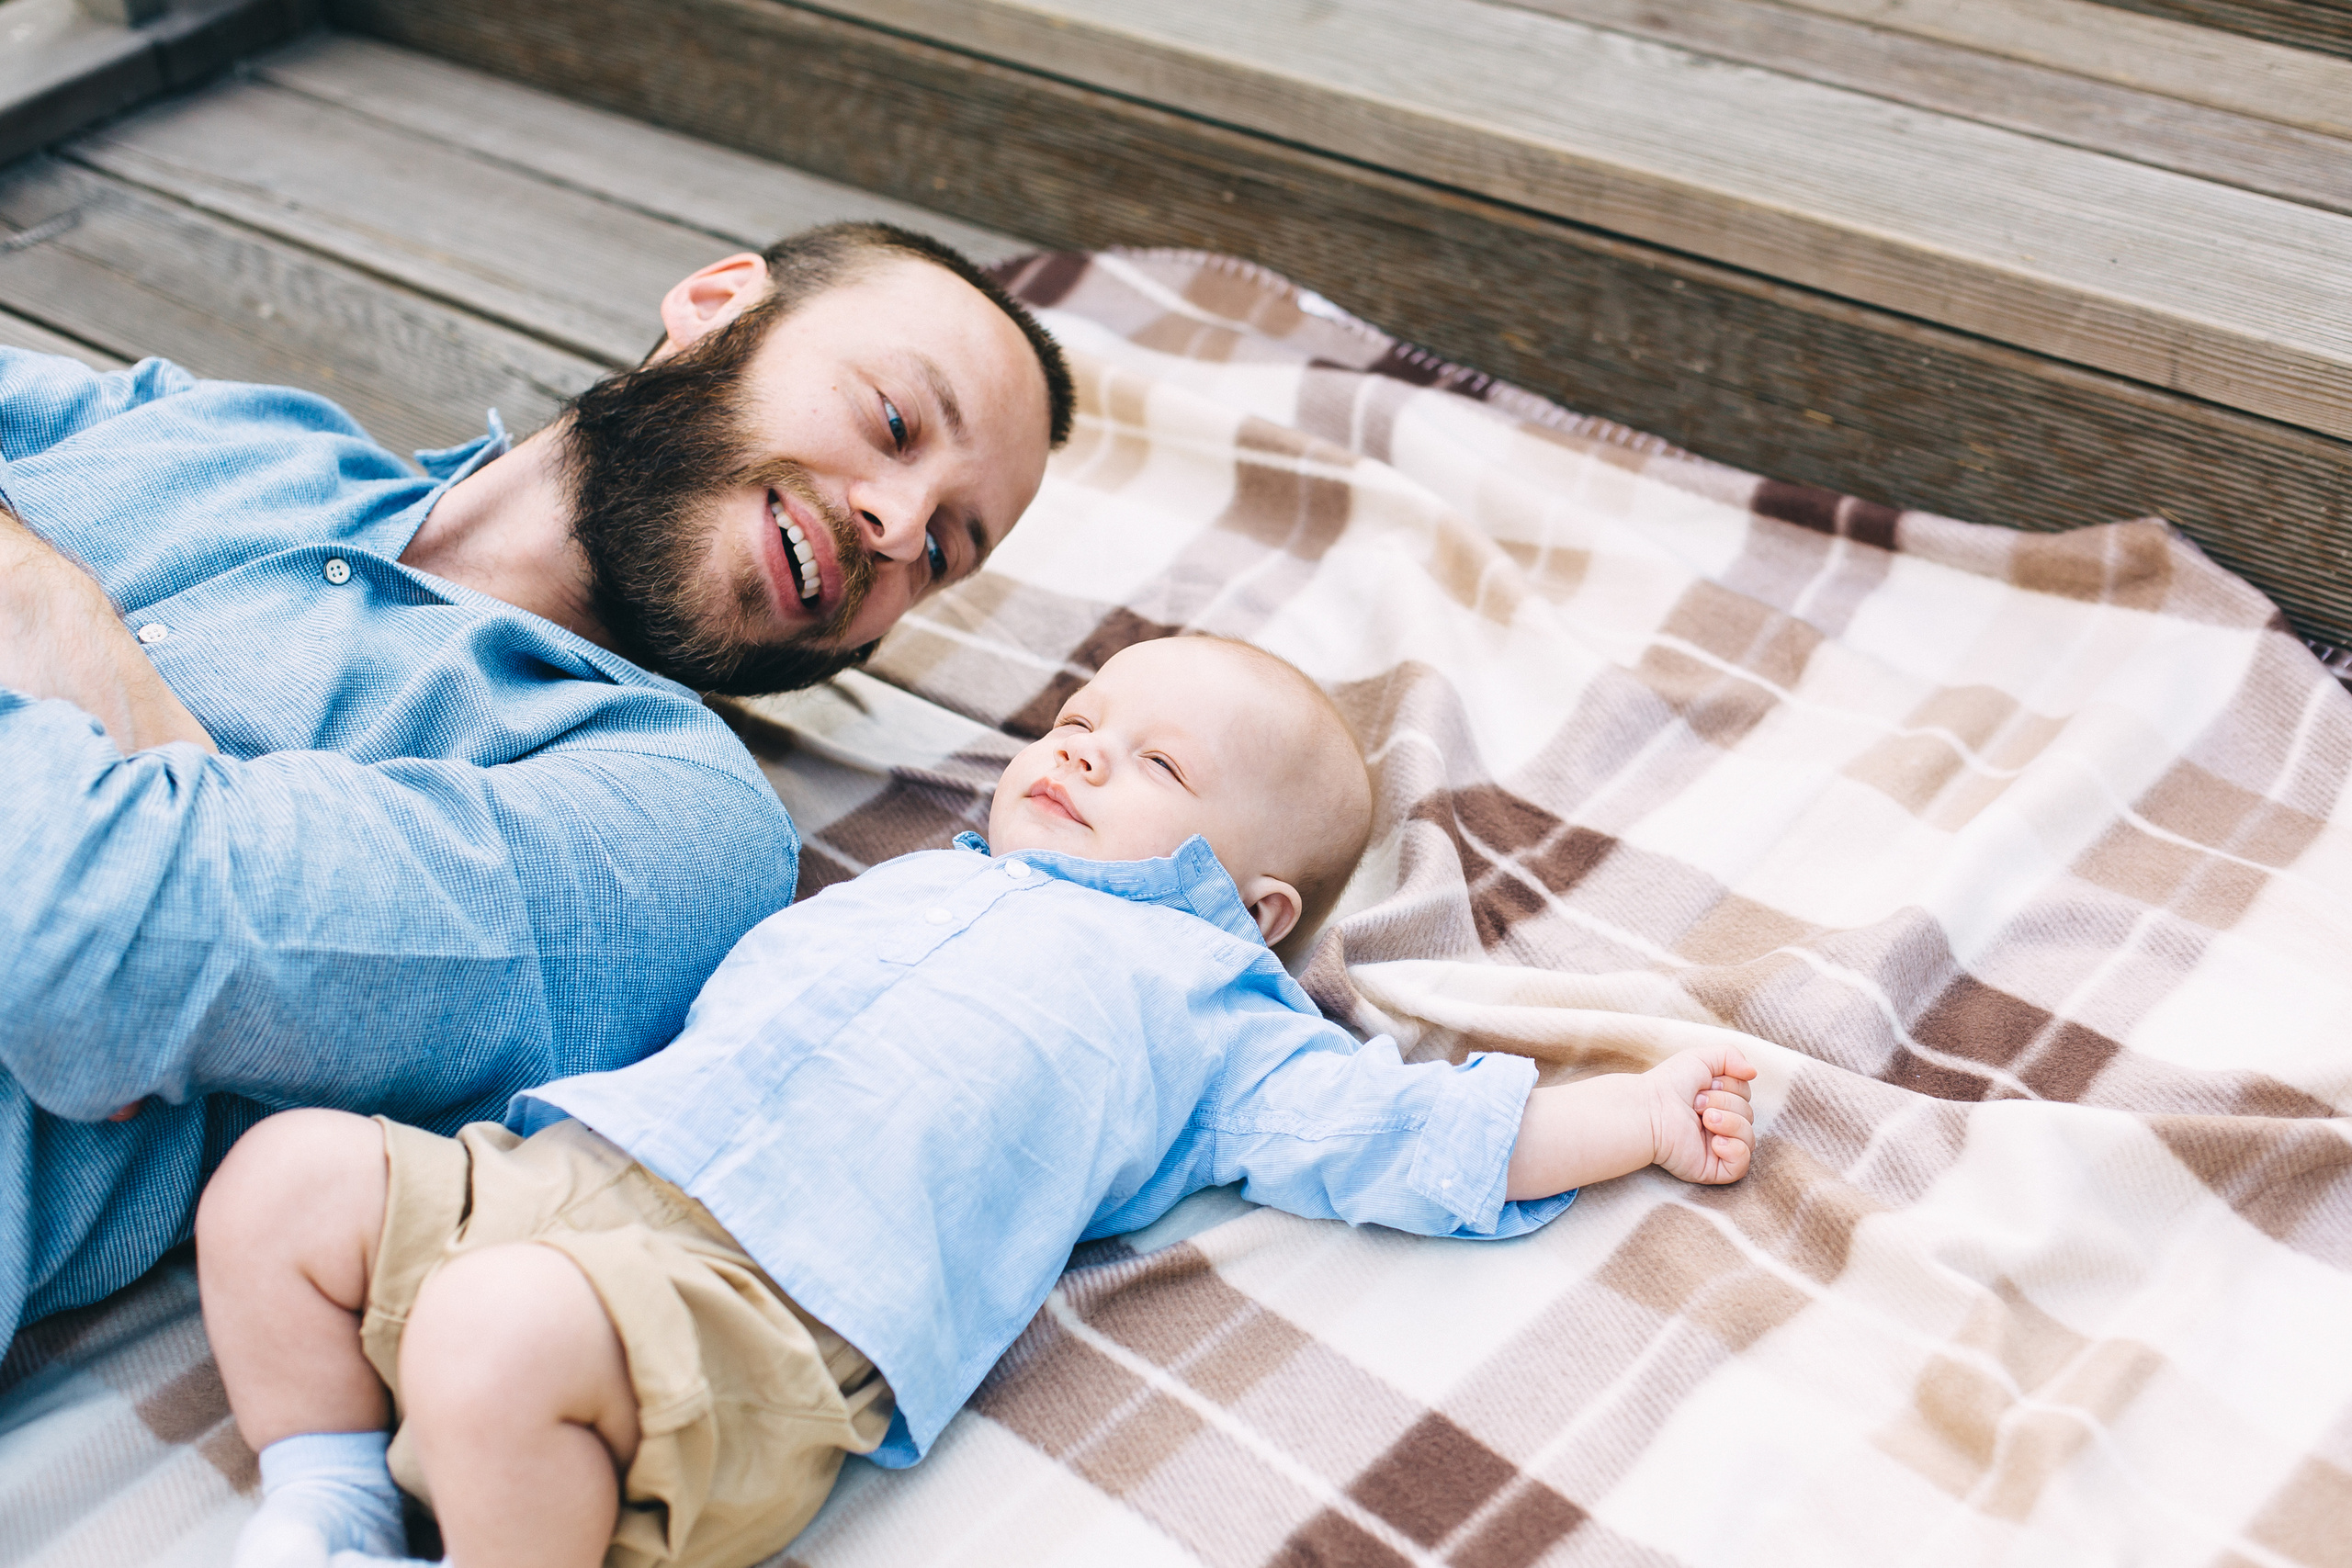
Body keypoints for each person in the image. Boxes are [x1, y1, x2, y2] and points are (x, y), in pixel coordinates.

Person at [195, 634, 1758, 1568]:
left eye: (1152, 762)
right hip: (559, 1173)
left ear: (1255, 903)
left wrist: (1633, 1110)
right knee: (284, 1176)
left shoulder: (1214, 1010)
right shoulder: (923, 880)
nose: (1078, 751)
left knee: (494, 1334)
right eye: (1078, 721)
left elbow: (1400, 1135)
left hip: (753, 1307)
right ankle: (331, 1492)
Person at [0, 220, 1076, 1359]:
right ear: (717, 305)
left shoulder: (673, 821)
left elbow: (86, 929)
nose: (899, 529)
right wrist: (44, 602)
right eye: (895, 422)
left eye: (945, 555)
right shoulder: (242, 432)